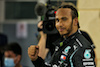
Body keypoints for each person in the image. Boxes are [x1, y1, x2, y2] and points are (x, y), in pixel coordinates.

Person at [28, 4, 96, 67]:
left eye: (64, 19)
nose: (60, 24)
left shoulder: (81, 47)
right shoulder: (62, 42)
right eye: (57, 20)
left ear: (75, 21)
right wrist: (36, 60)